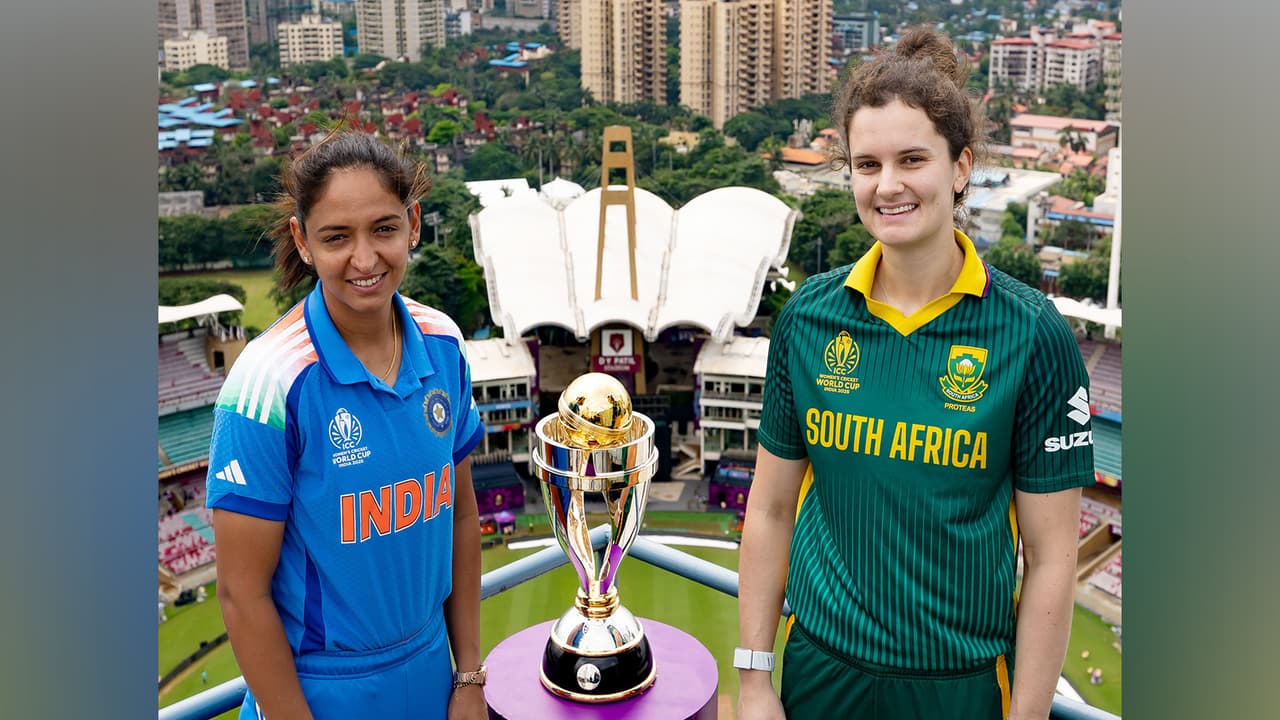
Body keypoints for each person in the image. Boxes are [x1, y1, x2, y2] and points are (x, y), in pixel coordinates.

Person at [735, 27, 1094, 720]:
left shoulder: (1032, 334)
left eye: (911, 159)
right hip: (819, 671)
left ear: (960, 168)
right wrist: (754, 679)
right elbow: (771, 509)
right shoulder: (809, 316)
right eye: (867, 164)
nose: (888, 185)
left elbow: (1051, 560)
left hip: (957, 686)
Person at [206, 130, 488, 720]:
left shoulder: (444, 347)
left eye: (383, 229)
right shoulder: (269, 382)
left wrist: (468, 677)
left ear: (413, 224)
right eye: (337, 237)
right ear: (303, 242)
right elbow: (241, 593)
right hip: (320, 692)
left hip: (434, 672)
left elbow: (461, 514)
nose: (365, 259)